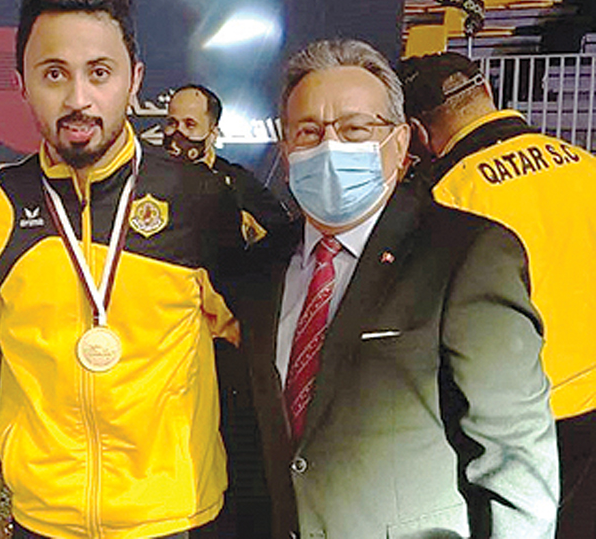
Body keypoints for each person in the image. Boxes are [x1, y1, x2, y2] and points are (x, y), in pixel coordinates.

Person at [0, 0, 244, 538]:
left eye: (99, 72)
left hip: (176, 516)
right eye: (54, 74)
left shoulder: (198, 198)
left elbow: (256, 339)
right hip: (43, 519)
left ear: (134, 79)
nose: (78, 98)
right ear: (22, 83)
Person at [237, 39, 559, 538]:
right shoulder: (261, 267)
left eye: (355, 129)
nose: (329, 147)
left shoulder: (466, 253)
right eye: (308, 132)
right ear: (285, 148)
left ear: (402, 143)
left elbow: (514, 456)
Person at [400, 51, 596, 538]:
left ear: (418, 134)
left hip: (527, 417)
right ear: (486, 93)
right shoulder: (583, 162)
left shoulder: (448, 196)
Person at [164, 84, 294, 244]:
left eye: (190, 125)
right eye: (172, 123)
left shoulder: (237, 184)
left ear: (213, 134)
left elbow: (284, 238)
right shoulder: (145, 175)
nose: (179, 133)